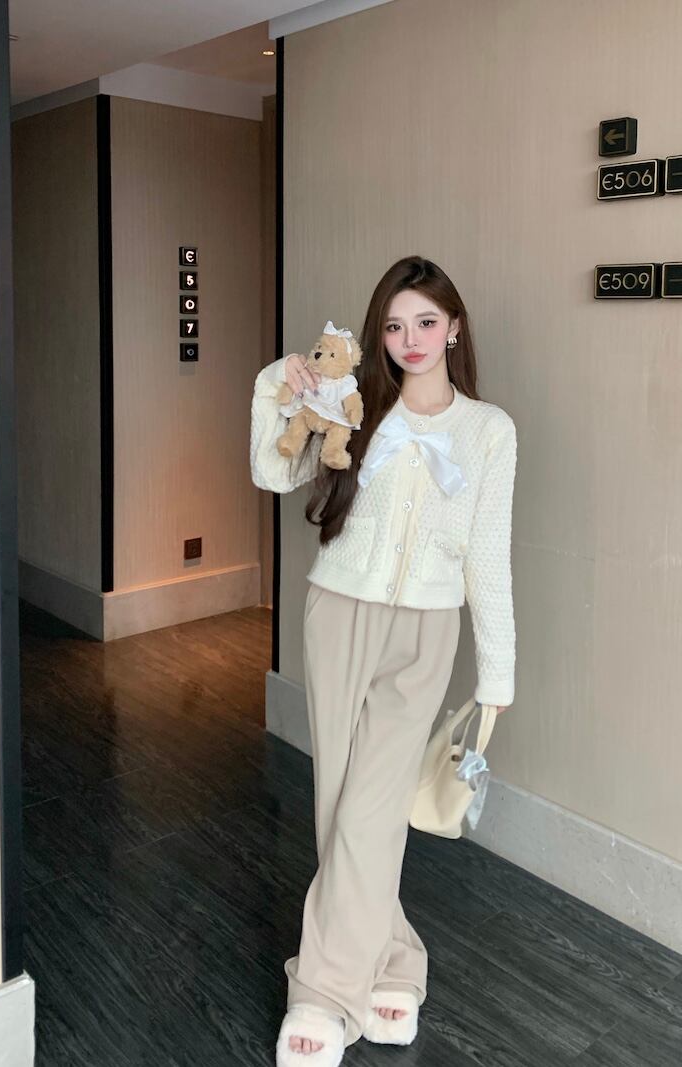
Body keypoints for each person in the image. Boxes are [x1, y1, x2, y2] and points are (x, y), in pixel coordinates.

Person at [249, 255, 517, 1066]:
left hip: (428, 631)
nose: (411, 339)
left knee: (371, 807)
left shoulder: (489, 430)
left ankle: (323, 992)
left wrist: (497, 674)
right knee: (342, 801)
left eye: (426, 322)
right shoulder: (354, 407)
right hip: (339, 612)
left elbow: (488, 557)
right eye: (395, 325)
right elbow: (273, 470)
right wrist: (277, 385)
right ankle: (395, 959)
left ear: (455, 327)